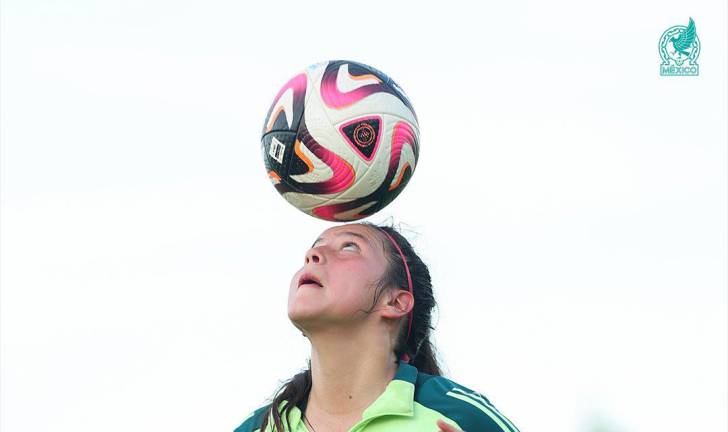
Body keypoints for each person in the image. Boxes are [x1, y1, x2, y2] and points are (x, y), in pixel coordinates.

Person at [234, 222, 519, 432]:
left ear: (395, 302)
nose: (313, 254)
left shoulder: (460, 416)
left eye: (349, 246)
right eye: (314, 246)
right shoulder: (258, 427)